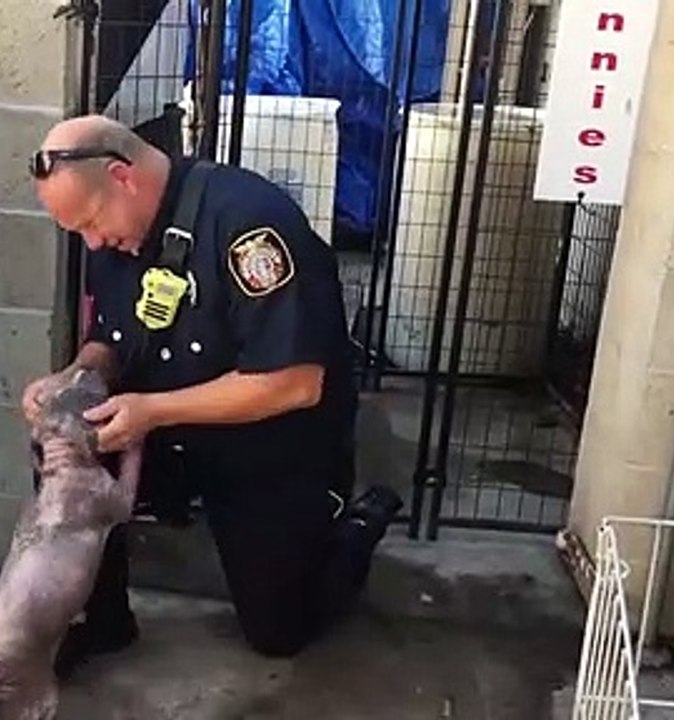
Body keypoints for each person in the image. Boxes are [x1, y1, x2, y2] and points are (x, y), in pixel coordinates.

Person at [20, 114, 403, 675]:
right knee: (64, 448)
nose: (92, 242)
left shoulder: (250, 225)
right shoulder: (116, 229)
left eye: (92, 223)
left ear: (123, 177)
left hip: (266, 445)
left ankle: (359, 525)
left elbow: (295, 383)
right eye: (78, 231)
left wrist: (151, 411)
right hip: (165, 429)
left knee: (279, 633)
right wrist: (74, 378)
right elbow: (112, 337)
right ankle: (103, 621)